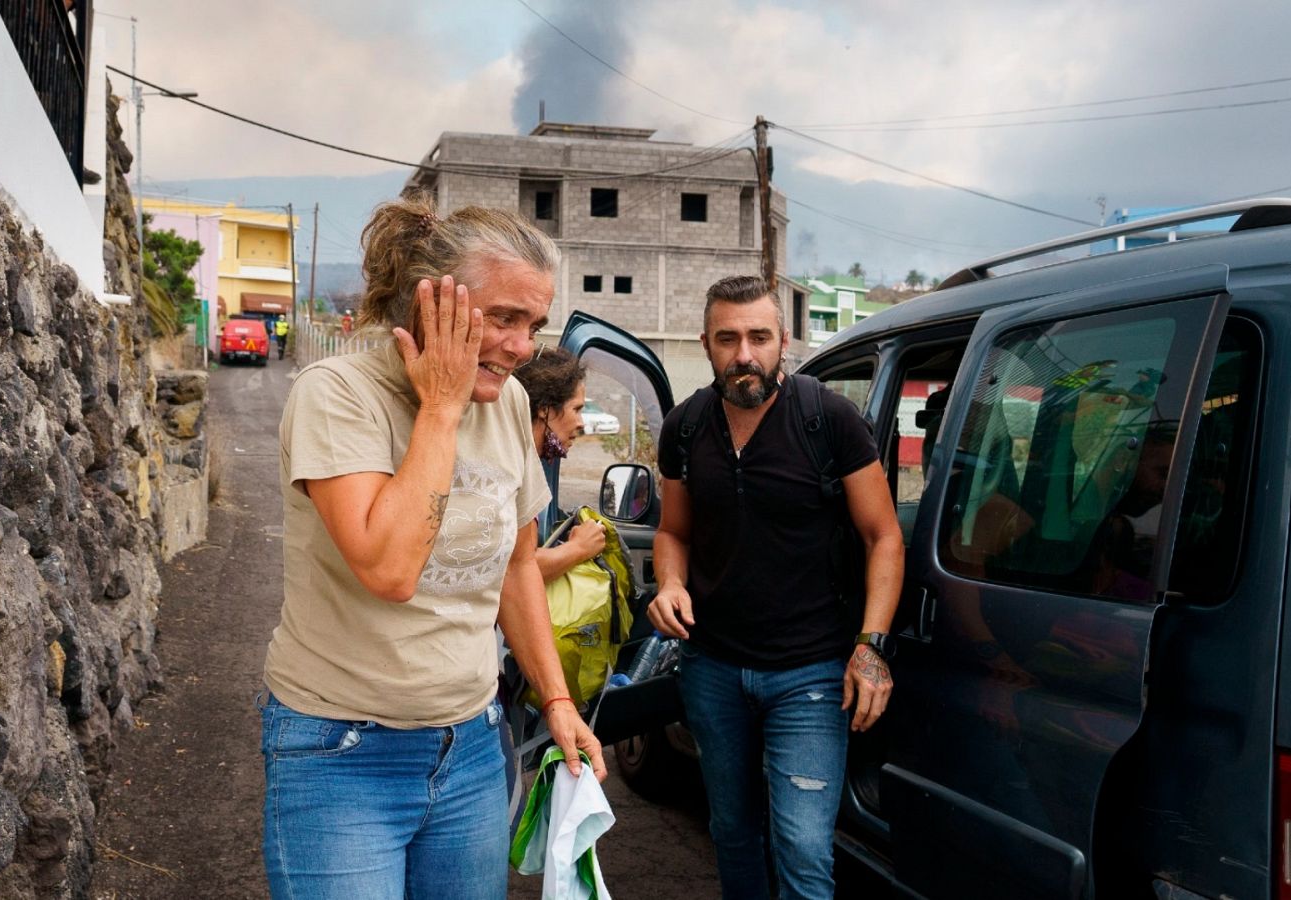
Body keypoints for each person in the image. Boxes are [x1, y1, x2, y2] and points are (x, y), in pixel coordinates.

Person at [262, 198, 605, 900]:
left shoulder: (508, 401)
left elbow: (517, 565)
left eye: (532, 325)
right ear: (429, 301)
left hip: (472, 750)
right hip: (340, 753)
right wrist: (442, 409)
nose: (519, 347)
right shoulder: (338, 395)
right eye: (503, 317)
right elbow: (388, 568)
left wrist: (558, 699)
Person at [648, 274, 904, 899]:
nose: (744, 354)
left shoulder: (829, 420)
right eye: (728, 338)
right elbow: (672, 532)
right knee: (732, 831)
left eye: (759, 337)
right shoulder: (684, 428)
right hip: (712, 668)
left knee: (803, 847)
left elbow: (884, 537)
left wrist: (869, 649)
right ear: (705, 343)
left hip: (811, 674)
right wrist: (670, 583)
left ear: (783, 341)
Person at [513, 345, 607, 581]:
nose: (581, 423)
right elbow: (515, 569)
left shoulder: (524, 460)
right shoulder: (514, 467)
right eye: (576, 409)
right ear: (545, 409)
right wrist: (579, 548)